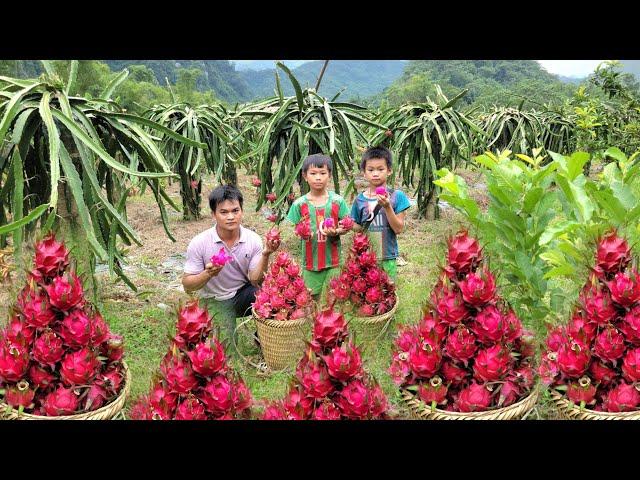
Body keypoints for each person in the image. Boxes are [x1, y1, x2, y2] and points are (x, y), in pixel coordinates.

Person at [182, 184, 280, 349]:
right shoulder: (199, 243)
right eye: (224, 212)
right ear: (214, 214)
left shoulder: (253, 239)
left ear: (242, 211)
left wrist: (266, 254)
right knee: (225, 351)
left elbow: (255, 280)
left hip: (241, 295)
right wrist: (207, 274)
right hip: (212, 301)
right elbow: (188, 286)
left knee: (270, 296)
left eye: (235, 211)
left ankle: (262, 337)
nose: (230, 217)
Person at [286, 154, 350, 299]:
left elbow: (347, 225)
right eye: (313, 173)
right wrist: (302, 233)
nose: (318, 177)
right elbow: (296, 228)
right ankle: (314, 320)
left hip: (333, 261)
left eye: (323, 173)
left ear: (330, 175)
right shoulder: (299, 204)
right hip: (311, 262)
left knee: (333, 297)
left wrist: (337, 231)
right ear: (305, 176)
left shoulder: (337, 201)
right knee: (311, 297)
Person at [350, 146, 410, 280]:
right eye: (370, 170)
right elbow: (360, 229)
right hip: (366, 257)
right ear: (364, 173)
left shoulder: (396, 196)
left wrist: (388, 207)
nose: (375, 173)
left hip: (388, 256)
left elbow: (398, 228)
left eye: (380, 169)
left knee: (388, 293)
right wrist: (347, 224)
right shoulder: (360, 200)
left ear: (389, 171)